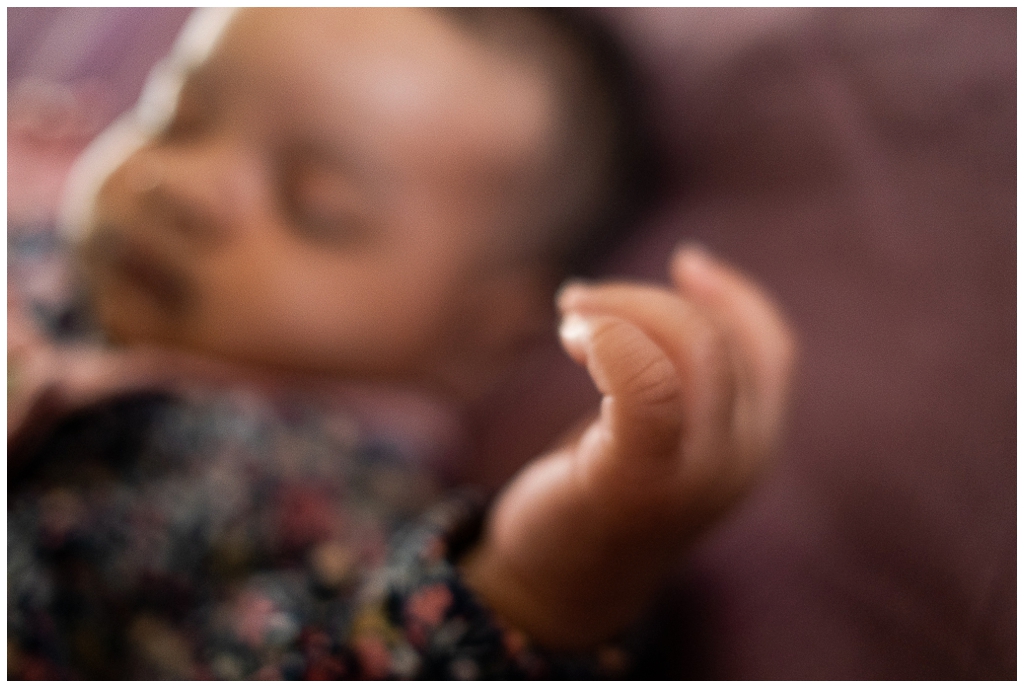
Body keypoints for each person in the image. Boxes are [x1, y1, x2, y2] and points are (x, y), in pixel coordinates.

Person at [7, 8, 795, 679]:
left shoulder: (316, 497)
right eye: (176, 116)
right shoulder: (33, 210)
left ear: (481, 335)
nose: (185, 186)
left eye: (316, 205)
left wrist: (538, 577)